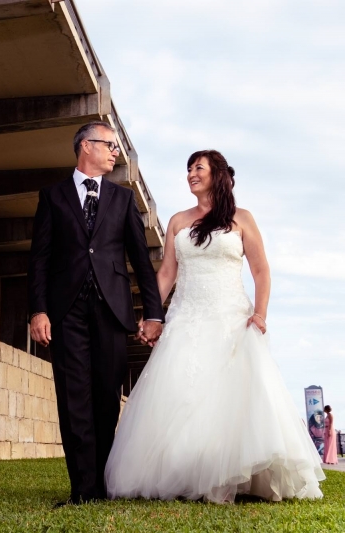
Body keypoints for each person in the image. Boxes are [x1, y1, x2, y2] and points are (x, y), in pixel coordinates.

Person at [104, 150, 325, 503]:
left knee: (232, 398)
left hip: (231, 318)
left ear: (217, 174)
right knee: (182, 393)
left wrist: (261, 314)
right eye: (188, 169)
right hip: (186, 318)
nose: (191, 173)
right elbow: (166, 273)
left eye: (198, 168)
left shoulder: (242, 219)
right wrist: (152, 316)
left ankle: (236, 475)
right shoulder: (178, 220)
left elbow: (261, 270)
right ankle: (185, 474)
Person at [28, 121, 164, 504]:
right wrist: (38, 310)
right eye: (110, 145)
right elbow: (39, 259)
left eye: (116, 148)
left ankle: (103, 485)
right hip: (65, 310)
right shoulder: (52, 196)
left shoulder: (122, 200)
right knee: (73, 399)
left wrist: (154, 313)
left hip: (111, 309)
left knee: (106, 396)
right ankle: (82, 490)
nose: (115, 152)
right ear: (86, 146)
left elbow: (140, 259)